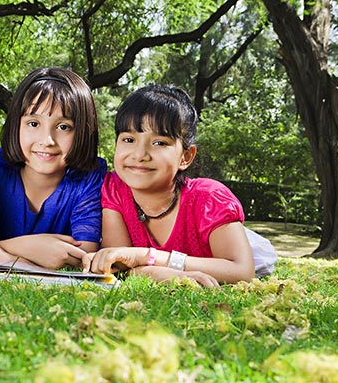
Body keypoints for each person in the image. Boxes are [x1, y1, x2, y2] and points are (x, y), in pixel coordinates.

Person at [83, 85, 256, 287]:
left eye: (159, 143)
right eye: (129, 139)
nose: (139, 155)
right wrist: (156, 273)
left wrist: (148, 257)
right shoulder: (115, 190)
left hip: (241, 245)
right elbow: (117, 264)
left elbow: (243, 271)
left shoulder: (209, 198)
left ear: (186, 156)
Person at [0, 67, 106, 269]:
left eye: (64, 127)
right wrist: (35, 247)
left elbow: (84, 256)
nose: (47, 140)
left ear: (83, 132)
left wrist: (1, 254)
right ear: (15, 125)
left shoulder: (89, 176)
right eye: (33, 123)